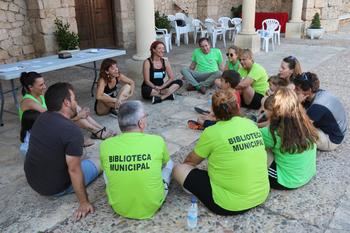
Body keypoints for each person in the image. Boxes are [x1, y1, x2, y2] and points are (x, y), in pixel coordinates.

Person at [174, 90, 269, 215]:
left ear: (213, 112)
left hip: (228, 204)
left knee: (179, 169)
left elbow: (191, 161)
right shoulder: (250, 124)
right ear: (237, 107)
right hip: (261, 194)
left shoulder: (212, 132)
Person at [24, 82, 101, 221]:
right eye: (74, 99)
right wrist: (84, 203)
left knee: (76, 155)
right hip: (55, 187)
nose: (75, 102)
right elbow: (74, 170)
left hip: (34, 182)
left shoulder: (41, 118)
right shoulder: (72, 131)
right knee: (100, 160)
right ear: (66, 102)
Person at [100, 101, 174, 219]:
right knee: (169, 163)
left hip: (119, 206)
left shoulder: (105, 145)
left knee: (105, 170)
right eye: (145, 116)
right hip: (153, 204)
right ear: (141, 123)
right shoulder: (157, 141)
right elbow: (165, 162)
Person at [19, 72, 114, 142]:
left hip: (49, 121)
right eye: (41, 85)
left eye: (44, 83)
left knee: (75, 106)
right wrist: (77, 116)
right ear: (31, 87)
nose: (44, 86)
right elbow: (52, 117)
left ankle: (99, 128)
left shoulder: (40, 95)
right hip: (41, 130)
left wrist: (76, 111)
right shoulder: (29, 101)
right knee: (74, 114)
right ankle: (96, 131)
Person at [260, 88, 318, 190]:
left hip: (286, 180)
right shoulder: (304, 123)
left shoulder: (271, 132)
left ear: (274, 111)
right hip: (307, 173)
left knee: (257, 148)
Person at [293, 72, 347, 151]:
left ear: (308, 90)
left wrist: (297, 103)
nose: (294, 91)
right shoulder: (318, 93)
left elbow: (300, 126)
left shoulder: (318, 106)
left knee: (296, 131)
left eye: (297, 89)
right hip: (335, 131)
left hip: (331, 140)